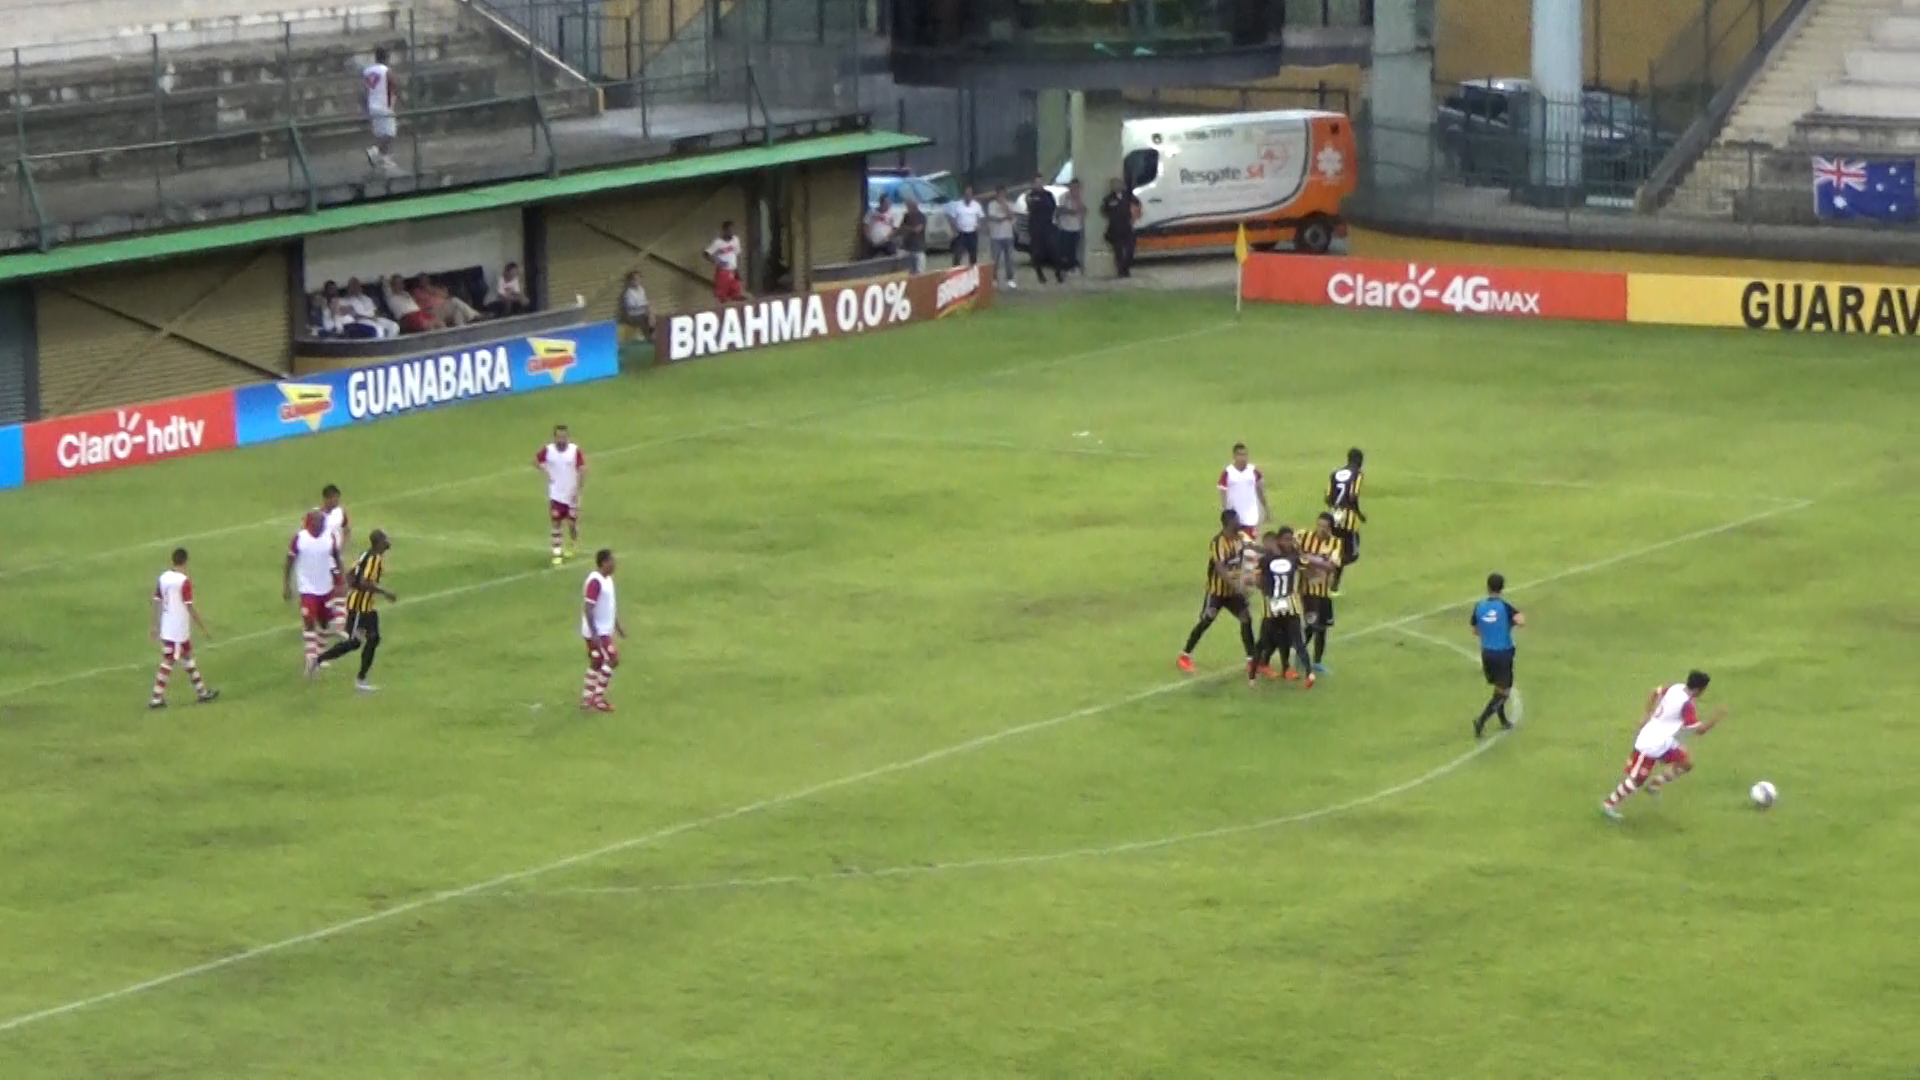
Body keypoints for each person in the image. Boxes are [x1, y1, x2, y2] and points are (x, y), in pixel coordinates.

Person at [1601, 671, 1725, 820]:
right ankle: (1609, 804)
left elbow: (1655, 692)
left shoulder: (1676, 688)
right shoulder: (1687, 705)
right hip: (1650, 745)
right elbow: (1700, 731)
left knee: (1687, 762)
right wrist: (1716, 718)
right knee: (1636, 781)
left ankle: (1655, 784)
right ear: (1700, 689)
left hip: (1664, 742)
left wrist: (1646, 715)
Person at [311, 530, 394, 692]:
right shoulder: (374, 559)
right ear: (379, 543)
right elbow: (363, 582)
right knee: (354, 642)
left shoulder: (366, 555)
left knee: (373, 639)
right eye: (385, 539)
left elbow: (350, 575)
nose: (388, 541)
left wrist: (349, 588)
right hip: (359, 608)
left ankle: (361, 678)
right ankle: (318, 660)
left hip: (367, 607)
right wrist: (385, 592)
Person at [1177, 509, 1257, 673]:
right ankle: (1185, 656)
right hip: (1217, 592)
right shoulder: (1217, 542)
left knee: (1246, 619)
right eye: (1236, 520)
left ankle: (1252, 659)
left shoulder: (1241, 538)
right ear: (1228, 523)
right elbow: (1220, 568)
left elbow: (1254, 552)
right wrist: (1236, 585)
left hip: (1233, 593)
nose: (1239, 523)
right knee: (1206, 620)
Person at [150, 547, 218, 709]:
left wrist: (154, 624)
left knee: (187, 658)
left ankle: (202, 692)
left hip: (168, 626)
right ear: (186, 562)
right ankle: (156, 698)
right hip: (178, 630)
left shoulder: (163, 578)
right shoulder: (183, 581)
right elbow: (189, 607)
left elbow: (157, 600)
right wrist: (202, 627)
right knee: (169, 661)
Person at [1251, 529, 1315, 688]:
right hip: (1278, 604)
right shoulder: (1291, 557)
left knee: (1295, 639)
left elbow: (1257, 581)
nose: (1289, 543)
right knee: (1265, 639)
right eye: (1286, 540)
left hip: (1281, 604)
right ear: (1279, 540)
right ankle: (1253, 675)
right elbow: (1310, 571)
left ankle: (1308, 673)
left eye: (1291, 540)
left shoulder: (1267, 560)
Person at [285, 510, 341, 672]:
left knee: (324, 622)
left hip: (326, 587)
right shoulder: (300, 538)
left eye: (323, 522)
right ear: (311, 522)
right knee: (309, 620)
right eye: (319, 522)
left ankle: (321, 655)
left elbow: (336, 557)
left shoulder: (329, 537)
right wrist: (287, 584)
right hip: (307, 588)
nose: (322, 524)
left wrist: (340, 578)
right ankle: (311, 658)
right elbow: (289, 560)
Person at [1470, 573, 1524, 737]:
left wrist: (1489, 634)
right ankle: (1481, 721)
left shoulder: (1479, 606)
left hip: (1487, 653)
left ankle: (1502, 719)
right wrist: (1508, 625)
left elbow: (1475, 630)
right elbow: (1521, 620)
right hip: (1503, 653)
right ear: (1502, 588)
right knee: (1504, 691)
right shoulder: (1504, 607)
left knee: (1498, 687)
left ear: (1487, 587)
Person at [580, 548, 627, 712]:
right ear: (604, 562)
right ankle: (597, 699)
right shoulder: (595, 581)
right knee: (613, 660)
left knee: (597, 662)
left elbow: (609, 606)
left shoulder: (608, 580)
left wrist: (618, 626)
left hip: (602, 631)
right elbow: (588, 608)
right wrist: (594, 634)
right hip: (597, 632)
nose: (615, 564)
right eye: (612, 560)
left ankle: (587, 699)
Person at [1297, 512, 1343, 674]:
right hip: (1307, 589)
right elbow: (1295, 554)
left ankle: (1317, 661)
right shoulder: (1304, 536)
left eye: (1324, 527)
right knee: (1311, 623)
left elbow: (1332, 566)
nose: (1320, 529)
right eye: (1318, 525)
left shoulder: (1336, 543)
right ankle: (1300, 654)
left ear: (1330, 528)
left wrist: (1308, 558)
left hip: (1324, 591)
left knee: (1322, 627)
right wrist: (1316, 563)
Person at [535, 424, 586, 567]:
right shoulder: (548, 450)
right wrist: (544, 470)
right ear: (555, 437)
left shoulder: (574, 451)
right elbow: (536, 461)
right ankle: (556, 553)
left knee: (571, 524)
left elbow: (582, 469)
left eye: (564, 436)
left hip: (571, 495)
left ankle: (573, 542)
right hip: (556, 495)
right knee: (556, 523)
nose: (562, 439)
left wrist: (578, 490)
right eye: (559, 436)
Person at [1326, 447, 1366, 594]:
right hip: (1349, 519)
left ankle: (1334, 585)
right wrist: (1359, 514)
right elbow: (1353, 496)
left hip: (1334, 516)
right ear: (1359, 461)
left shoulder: (1335, 473)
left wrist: (1336, 508)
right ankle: (1331, 571)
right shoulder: (1358, 474)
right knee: (1352, 554)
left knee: (1337, 550)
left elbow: (1328, 498)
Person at [318, 484, 352, 641]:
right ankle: (325, 623)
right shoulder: (317, 516)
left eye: (338, 498)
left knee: (342, 587)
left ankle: (338, 624)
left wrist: (342, 546)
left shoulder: (340, 512)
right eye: (333, 498)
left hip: (336, 556)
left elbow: (346, 529)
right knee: (325, 591)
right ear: (326, 498)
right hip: (322, 558)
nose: (336, 501)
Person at [1218, 442, 1267, 539]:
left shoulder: (1253, 471)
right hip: (1234, 519)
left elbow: (1260, 490)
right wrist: (1226, 512)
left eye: (1245, 455)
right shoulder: (1228, 473)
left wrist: (1266, 509)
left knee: (1250, 547)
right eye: (1240, 455)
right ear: (1234, 456)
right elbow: (1223, 492)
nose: (1243, 458)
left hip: (1251, 518)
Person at [363, 46, 399, 174]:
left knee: (380, 133)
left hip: (372, 104)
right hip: (385, 105)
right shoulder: (386, 70)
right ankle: (377, 153)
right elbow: (394, 83)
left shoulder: (368, 71)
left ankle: (383, 158)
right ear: (386, 57)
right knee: (390, 133)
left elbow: (366, 88)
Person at [1101, 177, 1142, 278]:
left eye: (1118, 184)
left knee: (1130, 250)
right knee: (1118, 251)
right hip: (1115, 228)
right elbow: (1104, 211)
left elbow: (1137, 204)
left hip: (1127, 226)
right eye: (1114, 185)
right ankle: (1121, 270)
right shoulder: (1108, 199)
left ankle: (1126, 268)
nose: (1116, 186)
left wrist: (1135, 216)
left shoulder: (1128, 196)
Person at [1025, 175, 1061, 284]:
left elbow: (1053, 207)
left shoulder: (1048, 195)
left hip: (1047, 225)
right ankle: (1040, 274)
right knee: (1037, 251)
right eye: (1036, 182)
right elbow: (1032, 207)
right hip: (1035, 227)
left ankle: (1058, 272)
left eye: (1040, 182)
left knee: (1053, 249)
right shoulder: (1030, 196)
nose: (1038, 184)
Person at [986, 188, 1018, 290]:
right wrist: (1005, 217)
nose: (1001, 197)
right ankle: (994, 279)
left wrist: (1005, 207)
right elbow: (994, 218)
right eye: (1000, 195)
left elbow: (1012, 216)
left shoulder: (1010, 204)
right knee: (995, 260)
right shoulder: (992, 205)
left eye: (1003, 195)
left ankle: (1010, 279)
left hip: (1008, 236)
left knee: (1009, 259)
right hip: (996, 236)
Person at [706, 220, 745, 303]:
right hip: (723, 272)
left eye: (732, 230)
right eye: (729, 231)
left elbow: (737, 254)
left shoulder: (736, 240)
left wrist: (738, 270)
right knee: (722, 296)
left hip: (733, 270)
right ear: (724, 231)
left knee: (736, 294)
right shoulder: (718, 243)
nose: (731, 233)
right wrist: (717, 262)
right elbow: (706, 253)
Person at [1055, 179, 1086, 276]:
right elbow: (1059, 210)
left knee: (1074, 249)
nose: (1075, 189)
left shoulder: (1081, 197)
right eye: (1073, 187)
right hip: (1065, 227)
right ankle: (1063, 268)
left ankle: (1072, 267)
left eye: (1077, 187)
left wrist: (1078, 201)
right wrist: (1070, 211)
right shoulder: (1063, 197)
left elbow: (1084, 211)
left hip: (1076, 227)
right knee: (1064, 249)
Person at [948, 185, 983, 266]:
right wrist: (954, 229)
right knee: (957, 256)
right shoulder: (958, 205)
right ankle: (956, 274)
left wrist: (979, 225)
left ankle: (972, 274)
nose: (968, 196)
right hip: (961, 234)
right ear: (964, 195)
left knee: (973, 256)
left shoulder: (976, 205)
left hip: (972, 233)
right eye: (966, 194)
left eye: (970, 194)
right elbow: (952, 217)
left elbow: (981, 217)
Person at [899, 196, 929, 274]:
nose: (908, 208)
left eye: (909, 206)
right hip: (908, 247)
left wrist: (907, 228)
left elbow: (917, 229)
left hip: (918, 248)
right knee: (910, 272)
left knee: (920, 272)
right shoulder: (906, 216)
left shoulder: (921, 216)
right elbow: (901, 227)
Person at [619, 270, 652, 338]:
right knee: (648, 317)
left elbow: (644, 300)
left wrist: (647, 307)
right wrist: (644, 306)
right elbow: (631, 306)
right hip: (633, 314)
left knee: (652, 313)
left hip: (642, 312)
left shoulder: (641, 289)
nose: (637, 281)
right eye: (635, 279)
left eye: (638, 278)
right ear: (631, 281)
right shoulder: (628, 292)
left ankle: (651, 333)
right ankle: (649, 334)